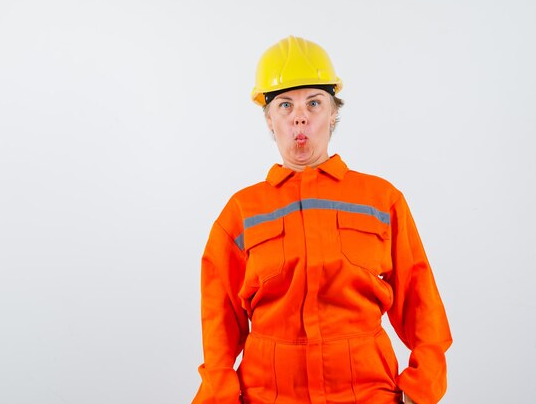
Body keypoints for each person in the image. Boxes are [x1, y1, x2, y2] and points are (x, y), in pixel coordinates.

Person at [192, 36, 452, 404]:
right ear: (269, 119)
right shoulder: (241, 212)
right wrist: (219, 396)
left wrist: (421, 388)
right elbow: (218, 321)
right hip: (268, 395)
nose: (300, 116)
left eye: (314, 103)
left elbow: (420, 301)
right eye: (285, 104)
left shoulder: (381, 199)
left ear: (333, 113)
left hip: (367, 394)